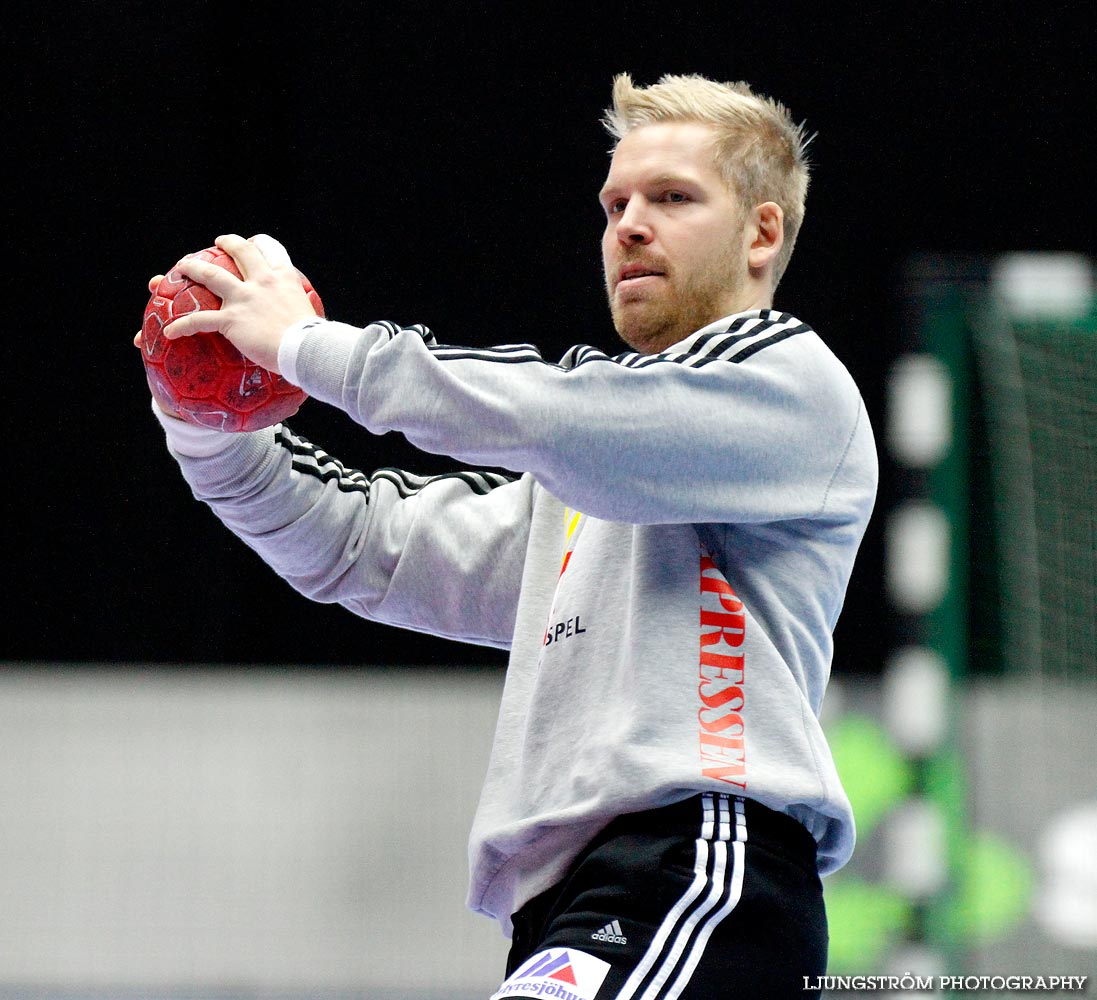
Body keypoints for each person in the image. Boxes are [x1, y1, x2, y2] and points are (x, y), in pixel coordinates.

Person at [139, 73, 877, 999]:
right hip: (575, 903)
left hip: (700, 867)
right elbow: (363, 544)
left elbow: (559, 416)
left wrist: (306, 348)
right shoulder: (582, 489)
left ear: (762, 233)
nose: (628, 226)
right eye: (614, 203)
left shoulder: (787, 386)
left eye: (672, 198)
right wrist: (205, 426)